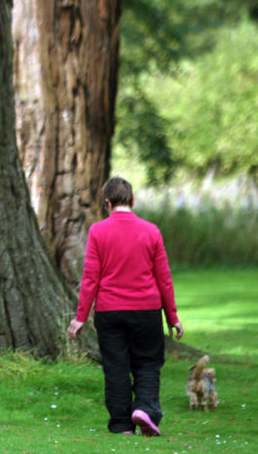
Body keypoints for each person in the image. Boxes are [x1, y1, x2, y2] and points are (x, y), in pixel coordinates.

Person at [67, 177, 184, 437]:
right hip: (146, 310)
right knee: (148, 363)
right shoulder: (151, 231)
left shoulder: (98, 231)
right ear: (132, 201)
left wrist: (81, 317)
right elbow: (163, 278)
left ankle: (121, 425)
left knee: (116, 367)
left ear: (107, 203)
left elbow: (90, 278)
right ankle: (144, 408)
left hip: (110, 311)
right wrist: (172, 317)